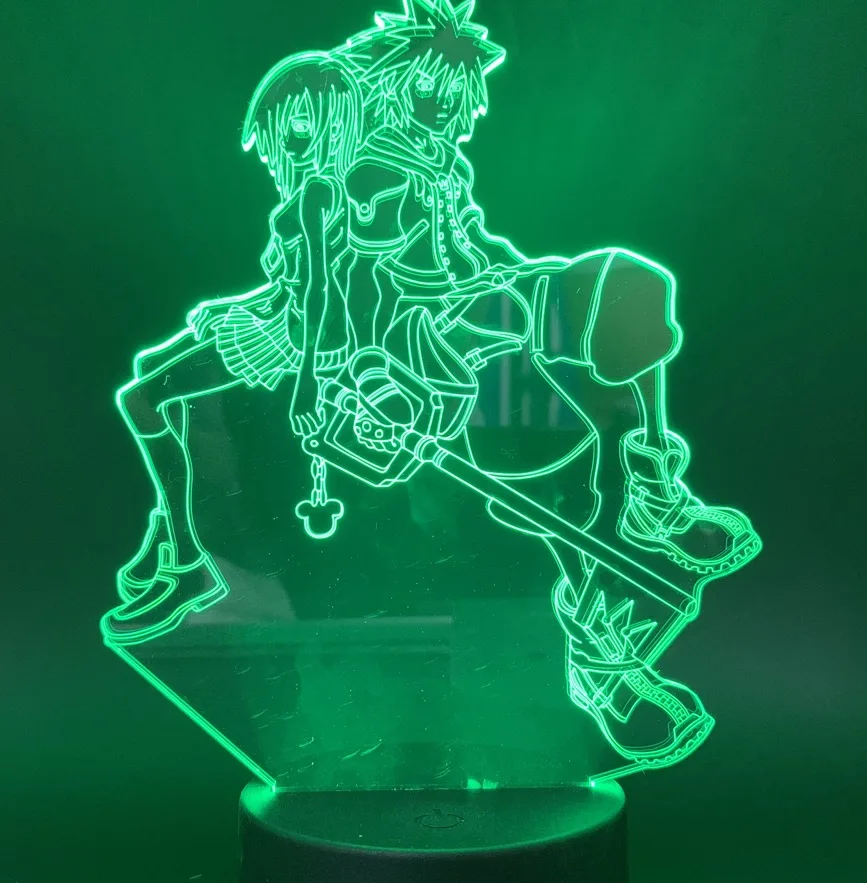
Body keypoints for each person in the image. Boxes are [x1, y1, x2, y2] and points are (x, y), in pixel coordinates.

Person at [332, 0, 761, 771]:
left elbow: (473, 250)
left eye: (456, 94)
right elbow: (355, 279)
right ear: (394, 86)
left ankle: (654, 487)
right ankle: (599, 656)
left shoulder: (439, 162)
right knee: (523, 403)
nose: (449, 108)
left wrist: (533, 281)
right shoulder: (370, 171)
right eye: (432, 91)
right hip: (426, 340)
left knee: (626, 287)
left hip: (488, 300)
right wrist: (368, 375)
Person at [101, 52, 363, 645]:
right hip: (281, 319)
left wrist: (308, 382)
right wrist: (230, 309)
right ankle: (168, 531)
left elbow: (320, 290)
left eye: (305, 123)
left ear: (335, 124)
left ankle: (184, 558)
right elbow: (290, 283)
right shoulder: (307, 196)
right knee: (149, 370)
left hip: (293, 338)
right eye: (284, 127)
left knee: (141, 399)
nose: (289, 140)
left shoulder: (319, 194)